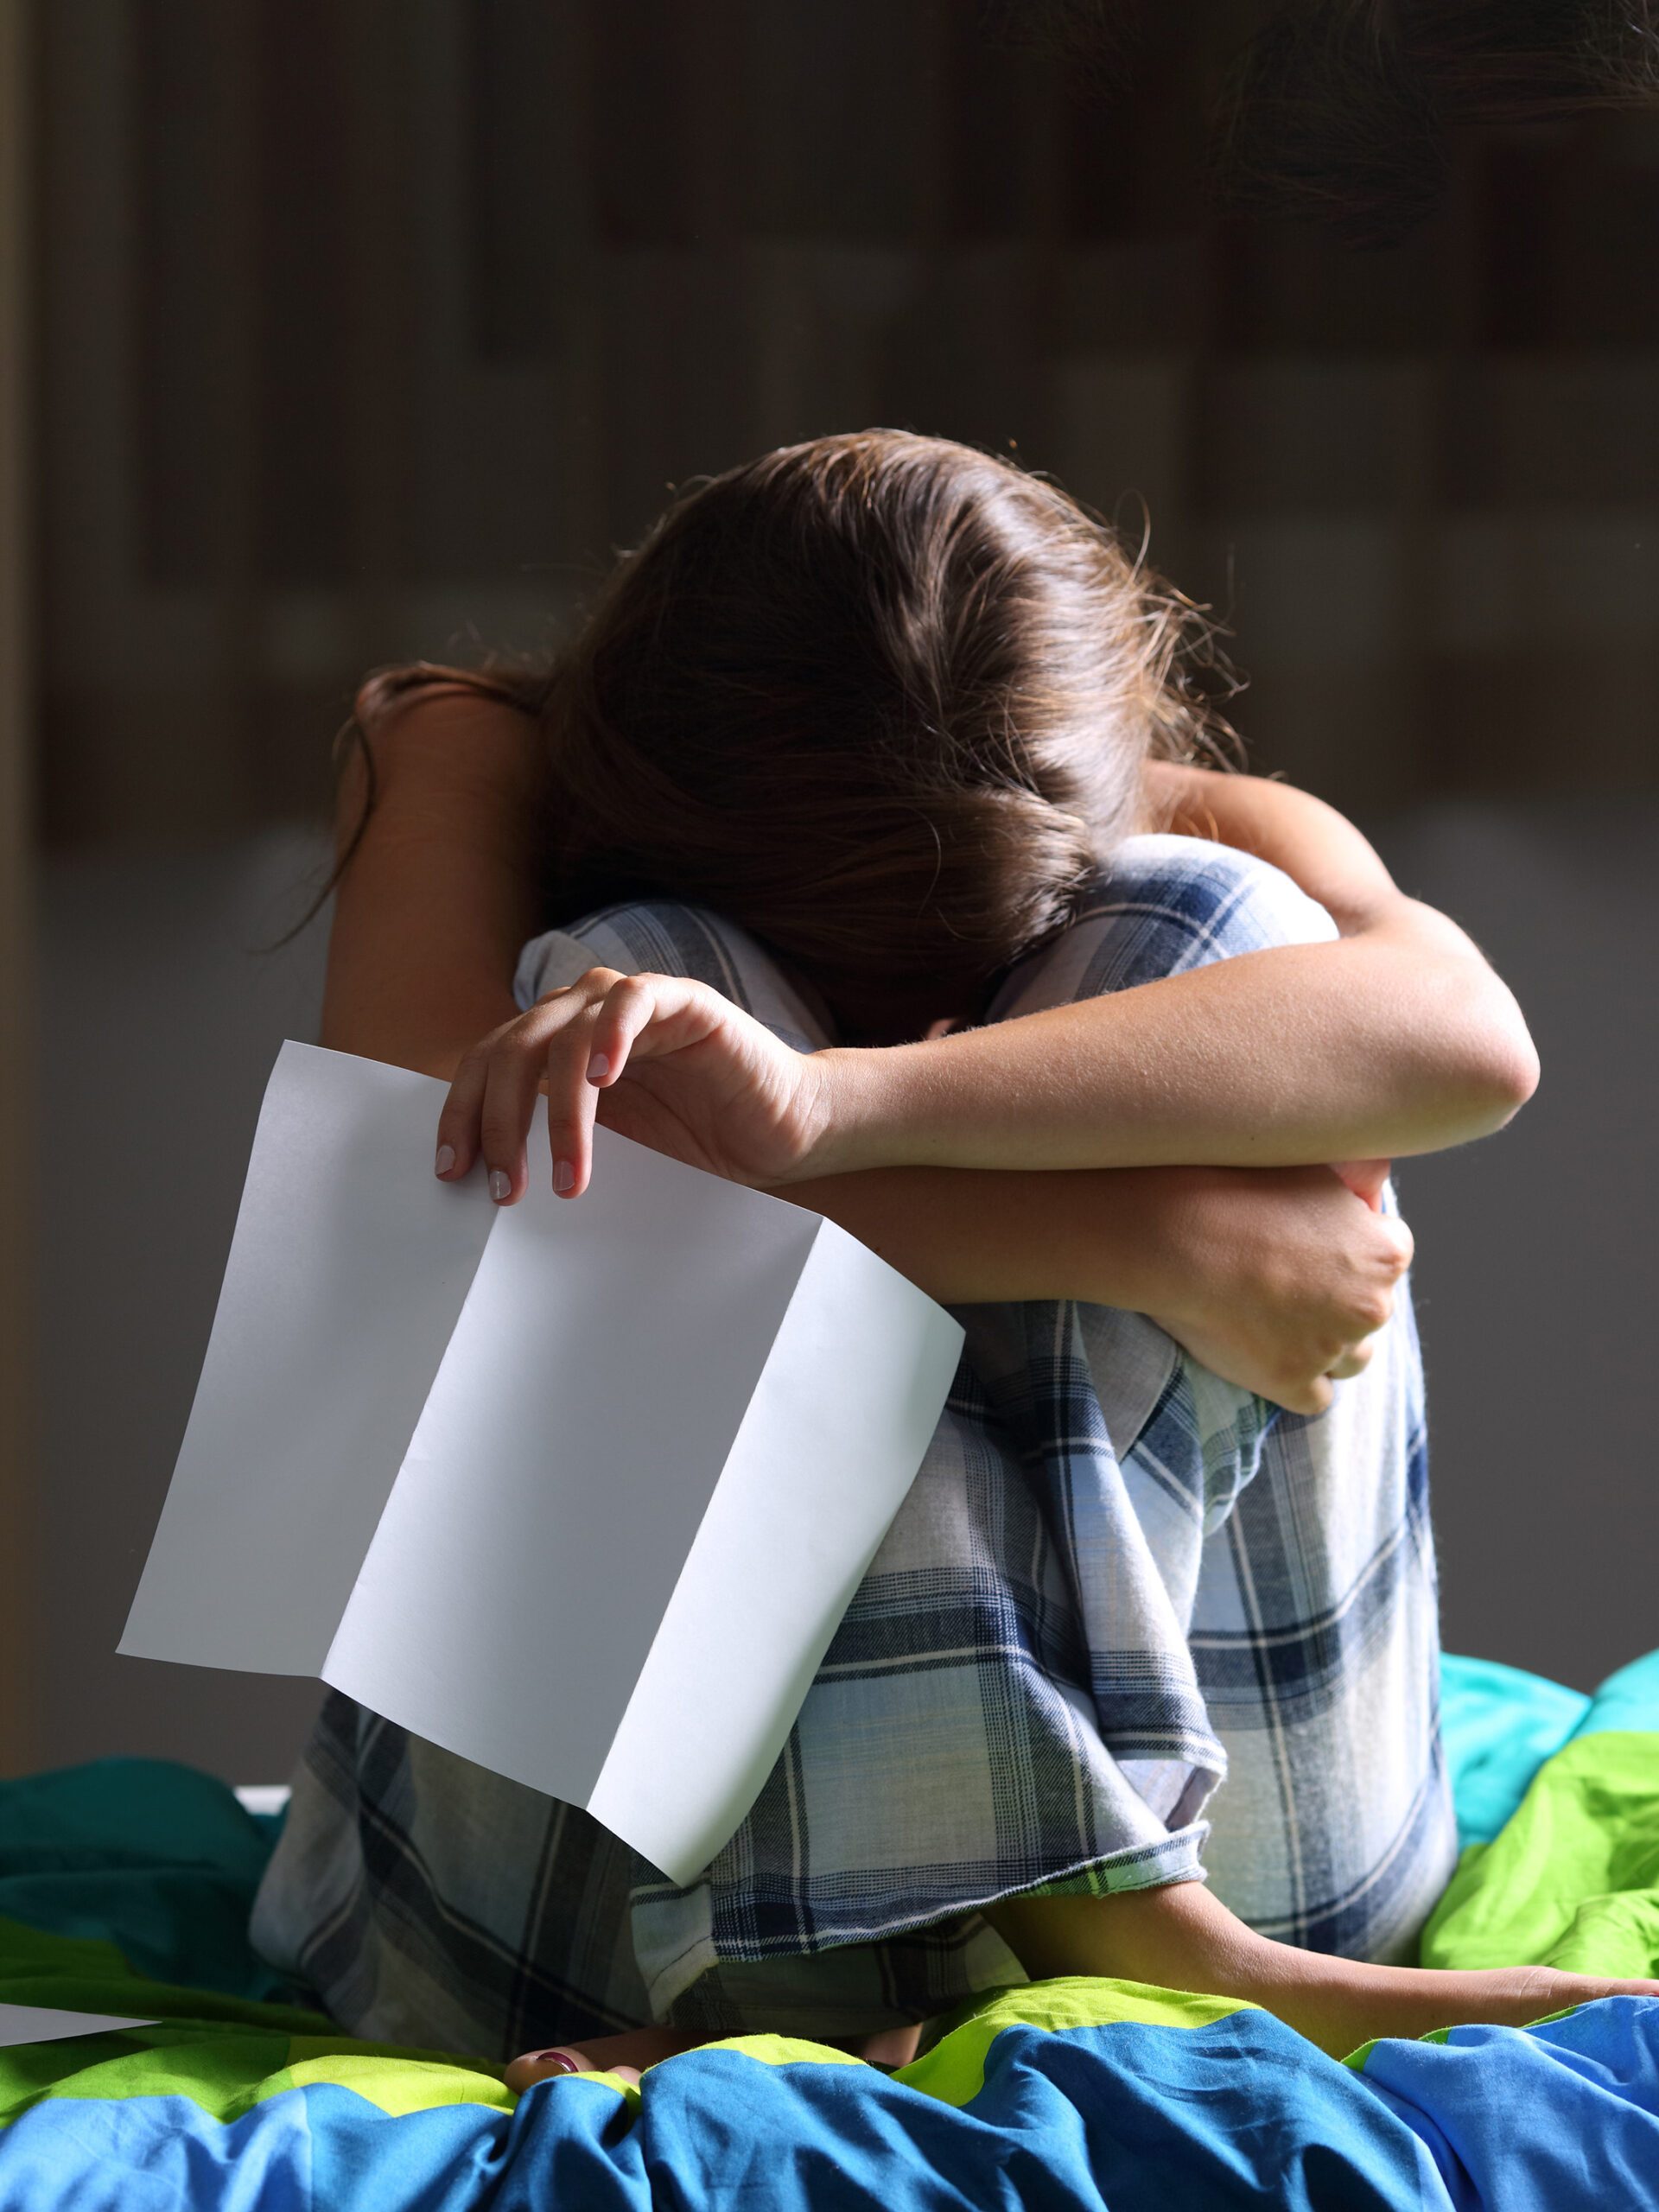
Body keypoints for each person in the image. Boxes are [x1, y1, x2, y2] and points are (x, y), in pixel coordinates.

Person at [251, 431, 1653, 2087]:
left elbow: (1470, 1046)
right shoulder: (473, 752)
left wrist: (836, 1107)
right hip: (589, 1920)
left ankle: (960, 1957)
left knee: (1213, 925)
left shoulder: (1156, 809)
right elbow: (417, 1199)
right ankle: (1074, 1941)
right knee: (640, 983)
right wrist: (1153, 1232)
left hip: (1247, 1838)